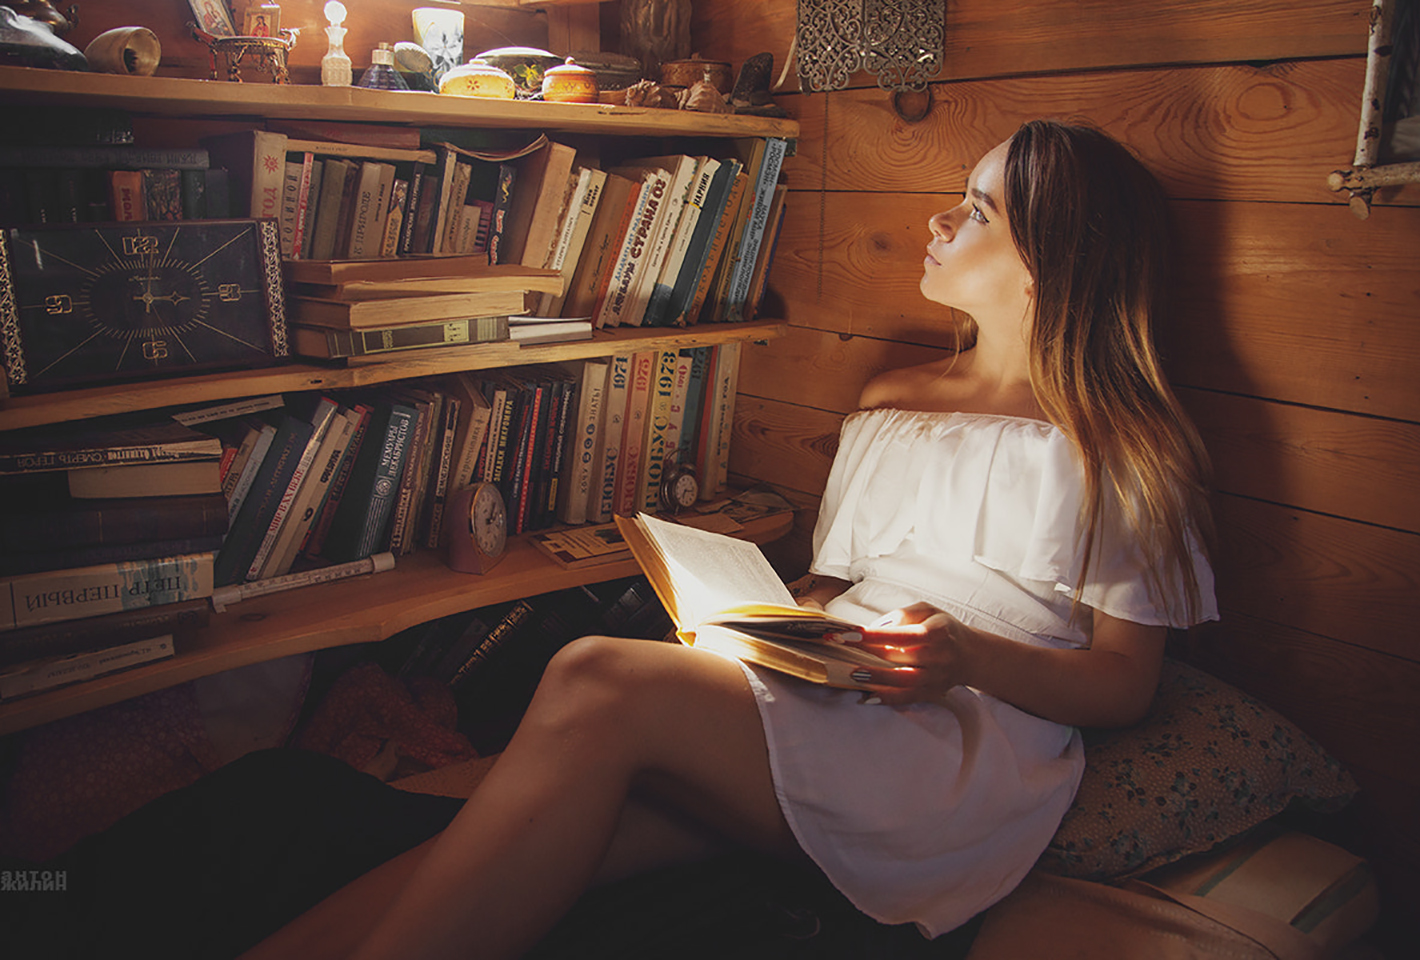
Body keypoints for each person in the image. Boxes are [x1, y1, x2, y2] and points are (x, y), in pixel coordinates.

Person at [242, 119, 1218, 960]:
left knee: (595, 677)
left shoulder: (1125, 449)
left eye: (976, 211)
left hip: (961, 740)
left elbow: (1123, 684)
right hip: (839, 684)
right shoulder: (895, 402)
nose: (939, 221)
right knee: (523, 829)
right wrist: (765, 627)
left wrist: (962, 656)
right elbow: (831, 590)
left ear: (1051, 261)